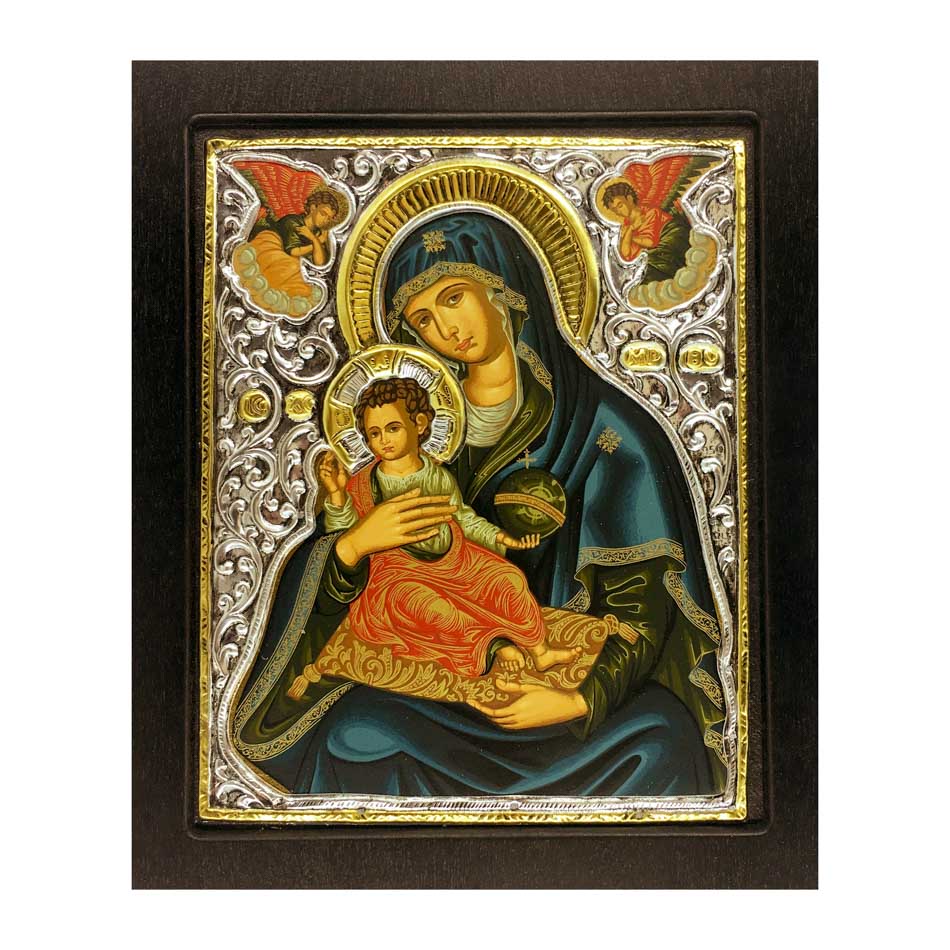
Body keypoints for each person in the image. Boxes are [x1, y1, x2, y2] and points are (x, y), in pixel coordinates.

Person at [234, 211, 727, 798]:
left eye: (454, 298)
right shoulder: (403, 434)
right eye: (423, 318)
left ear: (506, 290)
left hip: (562, 693)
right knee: (352, 735)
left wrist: (578, 699)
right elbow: (336, 581)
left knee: (663, 739)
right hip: (436, 681)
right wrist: (354, 546)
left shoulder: (604, 429)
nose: (445, 328)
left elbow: (641, 609)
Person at [286, 375, 579, 687]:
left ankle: (540, 650)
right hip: (396, 576)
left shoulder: (437, 476)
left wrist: (500, 538)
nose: (383, 440)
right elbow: (343, 533)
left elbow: (463, 519)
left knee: (508, 579)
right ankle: (493, 647)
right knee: (431, 609)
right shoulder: (363, 484)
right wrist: (336, 494)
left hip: (455, 562)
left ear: (420, 423)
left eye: (392, 428)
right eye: (374, 433)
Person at [603, 179, 692, 281]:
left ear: (630, 198)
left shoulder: (650, 213)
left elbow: (650, 242)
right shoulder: (625, 227)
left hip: (666, 255)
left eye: (620, 205)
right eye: (614, 209)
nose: (619, 211)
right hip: (643, 265)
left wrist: (630, 237)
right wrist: (631, 230)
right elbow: (625, 255)